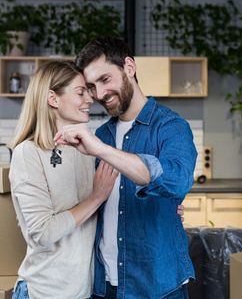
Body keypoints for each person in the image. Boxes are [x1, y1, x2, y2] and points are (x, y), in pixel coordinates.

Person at [55, 36, 198, 299]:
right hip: (105, 284)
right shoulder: (103, 134)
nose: (99, 94)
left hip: (157, 285)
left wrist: (100, 150)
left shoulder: (170, 127)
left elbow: (178, 180)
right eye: (91, 86)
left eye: (105, 79)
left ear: (129, 68)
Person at [8, 60, 119, 299]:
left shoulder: (87, 149)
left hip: (84, 291)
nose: (90, 99)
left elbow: (108, 205)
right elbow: (43, 233)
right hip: (44, 292)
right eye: (80, 92)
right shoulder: (28, 153)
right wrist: (96, 197)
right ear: (53, 99)